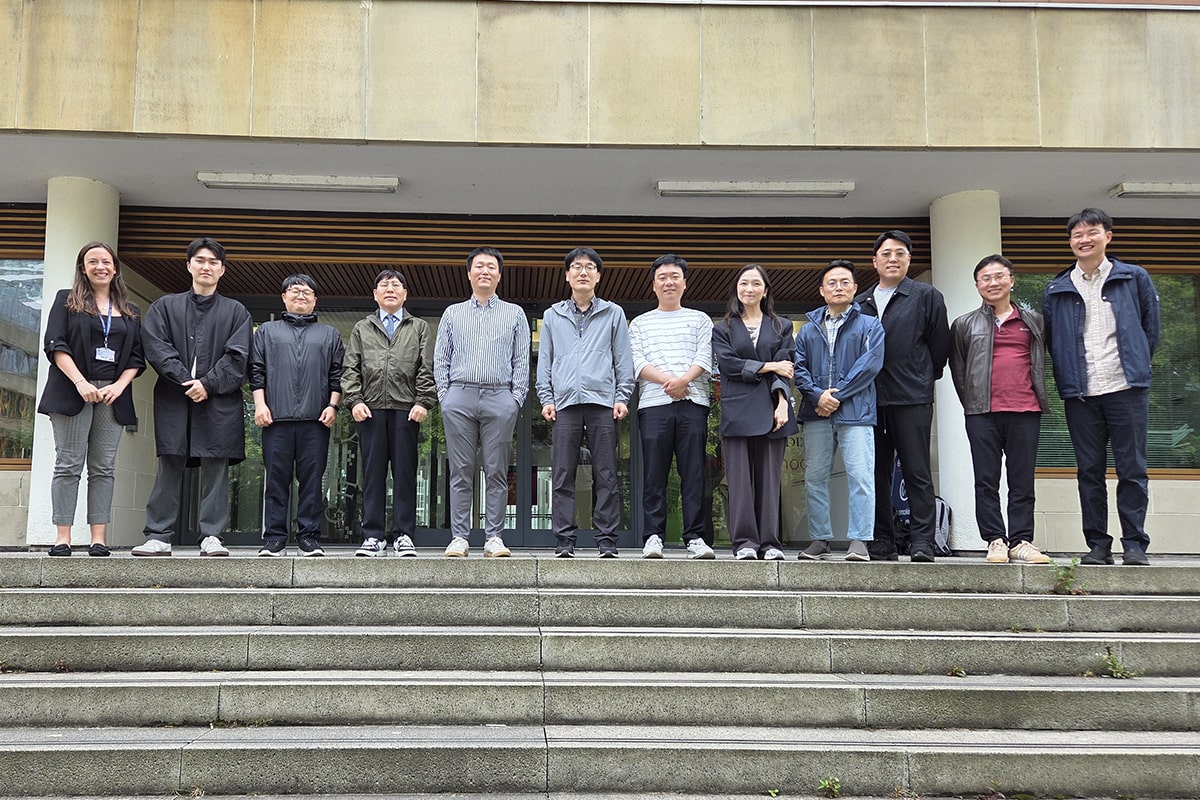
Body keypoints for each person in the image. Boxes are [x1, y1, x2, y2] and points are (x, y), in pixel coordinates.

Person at [1043, 209, 1160, 566]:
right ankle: (1097, 544)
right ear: (1070, 242)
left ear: (1108, 236)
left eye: (1091, 232)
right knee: (1089, 472)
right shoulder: (1058, 288)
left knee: (1132, 469)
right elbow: (1054, 341)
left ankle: (1135, 544)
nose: (1084, 239)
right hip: (1081, 393)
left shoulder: (1133, 278)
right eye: (1076, 235)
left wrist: (1136, 364)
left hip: (1126, 388)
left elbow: (1149, 331)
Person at [133, 237, 252, 557]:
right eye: (200, 260)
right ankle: (158, 534)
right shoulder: (165, 307)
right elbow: (156, 348)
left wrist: (208, 384)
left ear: (222, 270)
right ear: (188, 265)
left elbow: (238, 356)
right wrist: (187, 381)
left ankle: (212, 535)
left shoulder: (236, 312)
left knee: (216, 465)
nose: (206, 267)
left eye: (213, 262)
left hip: (219, 399)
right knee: (170, 461)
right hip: (175, 396)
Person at [37, 241, 145, 557]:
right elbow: (55, 345)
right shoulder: (65, 301)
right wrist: (81, 382)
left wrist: (120, 386)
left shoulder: (131, 311)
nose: (100, 266)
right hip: (73, 390)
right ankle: (63, 538)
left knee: (104, 468)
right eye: (92, 261)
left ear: (115, 268)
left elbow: (137, 357)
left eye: (106, 261)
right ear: (83, 268)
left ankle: (98, 538)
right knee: (69, 464)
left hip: (113, 396)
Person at [855, 231, 951, 562]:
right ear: (875, 261)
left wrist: (922, 376)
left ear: (909, 260)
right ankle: (883, 537)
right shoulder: (861, 302)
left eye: (899, 253)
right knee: (876, 472)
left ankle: (922, 540)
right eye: (885, 254)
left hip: (911, 397)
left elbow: (940, 349)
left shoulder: (925, 296)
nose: (892, 259)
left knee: (917, 470)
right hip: (869, 401)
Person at [950, 255, 1051, 564]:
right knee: (986, 479)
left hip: (1025, 409)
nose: (992, 283)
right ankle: (995, 539)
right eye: (985, 278)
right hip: (982, 413)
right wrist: (973, 405)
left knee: (1022, 479)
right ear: (977, 285)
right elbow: (959, 370)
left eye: (998, 276)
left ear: (1011, 280)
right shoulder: (964, 324)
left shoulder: (1034, 321)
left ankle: (1022, 540)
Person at [536, 247, 634, 558]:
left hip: (602, 403)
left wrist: (622, 397)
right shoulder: (552, 315)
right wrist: (546, 398)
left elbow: (623, 360)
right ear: (567, 275)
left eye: (590, 267)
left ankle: (607, 540)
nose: (583, 272)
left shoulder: (613, 313)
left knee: (606, 474)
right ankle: (564, 540)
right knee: (563, 473)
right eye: (576, 267)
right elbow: (545, 361)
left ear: (598, 276)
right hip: (564, 404)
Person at [434, 247, 530, 558]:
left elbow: (520, 360)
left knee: (496, 470)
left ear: (499, 275)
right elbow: (441, 359)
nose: (485, 271)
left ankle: (494, 538)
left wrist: (515, 398)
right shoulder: (452, 313)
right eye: (479, 266)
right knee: (461, 469)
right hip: (459, 395)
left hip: (499, 396)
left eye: (491, 266)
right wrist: (445, 396)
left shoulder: (515, 313)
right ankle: (459, 537)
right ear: (469, 274)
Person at [794, 260, 884, 561]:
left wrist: (837, 396)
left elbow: (869, 365)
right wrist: (818, 396)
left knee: (860, 476)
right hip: (816, 412)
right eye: (832, 283)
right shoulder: (807, 330)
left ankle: (859, 540)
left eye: (845, 282)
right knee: (815, 477)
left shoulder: (870, 324)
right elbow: (799, 369)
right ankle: (820, 539)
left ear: (855, 289)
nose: (838, 287)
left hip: (856, 412)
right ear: (821, 290)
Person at [249, 274, 345, 557]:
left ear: (315, 299)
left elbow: (337, 375)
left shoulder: (330, 335)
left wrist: (333, 406)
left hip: (316, 420)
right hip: (275, 418)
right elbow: (256, 371)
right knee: (276, 480)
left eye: (307, 292)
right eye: (294, 291)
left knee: (312, 481)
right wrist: (260, 405)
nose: (300, 296)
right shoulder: (266, 332)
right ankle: (275, 538)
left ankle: (309, 537)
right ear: (283, 297)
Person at [342, 270, 435, 557]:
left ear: (405, 294)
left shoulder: (418, 327)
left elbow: (426, 365)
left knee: (405, 474)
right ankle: (372, 535)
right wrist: (354, 399)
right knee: (372, 475)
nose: (390, 289)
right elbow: (350, 367)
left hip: (407, 409)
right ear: (375, 294)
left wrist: (423, 401)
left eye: (396, 285)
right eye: (384, 285)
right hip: (369, 410)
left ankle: (404, 535)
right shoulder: (362, 328)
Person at [629, 253, 716, 560]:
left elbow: (704, 358)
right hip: (654, 405)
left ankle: (695, 537)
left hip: (693, 404)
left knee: (694, 474)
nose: (669, 282)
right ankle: (653, 536)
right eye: (662, 277)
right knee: (654, 474)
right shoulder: (639, 323)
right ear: (653, 285)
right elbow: (637, 363)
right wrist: (671, 382)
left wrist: (683, 382)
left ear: (684, 283)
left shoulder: (700, 319)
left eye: (674, 277)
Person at [711, 264, 797, 560]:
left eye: (755, 283)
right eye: (743, 283)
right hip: (737, 409)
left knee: (769, 480)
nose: (749, 288)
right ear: (736, 289)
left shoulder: (781, 326)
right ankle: (745, 542)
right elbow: (729, 365)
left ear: (765, 289)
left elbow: (786, 366)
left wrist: (783, 402)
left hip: (774, 409)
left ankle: (770, 543)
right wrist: (769, 365)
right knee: (739, 480)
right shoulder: (723, 329)